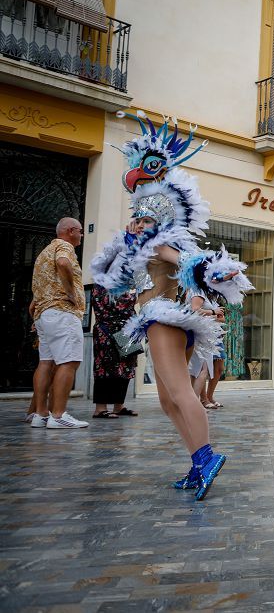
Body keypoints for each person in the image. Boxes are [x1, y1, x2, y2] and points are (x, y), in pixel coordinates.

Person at [91, 111, 251, 500]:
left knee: (180, 393)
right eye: (137, 216)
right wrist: (127, 242)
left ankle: (207, 457)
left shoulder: (166, 244)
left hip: (163, 320)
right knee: (167, 399)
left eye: (145, 216)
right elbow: (107, 276)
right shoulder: (141, 247)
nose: (139, 220)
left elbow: (194, 265)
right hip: (153, 320)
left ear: (160, 214)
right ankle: (198, 464)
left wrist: (216, 273)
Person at [29, 217, 88, 429]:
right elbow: (63, 263)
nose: (81, 235)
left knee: (46, 362)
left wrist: (37, 302)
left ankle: (41, 414)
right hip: (62, 312)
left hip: (45, 314)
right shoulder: (65, 246)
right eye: (80, 231)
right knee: (69, 362)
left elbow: (41, 283)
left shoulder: (44, 252)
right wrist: (71, 292)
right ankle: (59, 415)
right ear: (70, 231)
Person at [91, 285, 139, 419]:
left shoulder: (125, 282)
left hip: (126, 329)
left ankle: (119, 406)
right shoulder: (101, 283)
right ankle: (100, 408)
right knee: (105, 367)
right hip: (107, 330)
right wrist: (135, 296)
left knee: (126, 367)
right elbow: (117, 304)